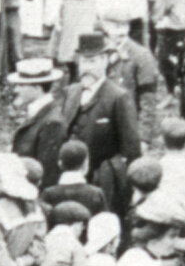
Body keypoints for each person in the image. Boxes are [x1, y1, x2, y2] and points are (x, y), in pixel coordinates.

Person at [59, 32, 144, 216]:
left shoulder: (118, 97)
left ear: (105, 61)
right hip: (70, 179)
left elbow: (131, 149)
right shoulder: (71, 92)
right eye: (82, 62)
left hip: (101, 180)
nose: (85, 68)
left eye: (92, 62)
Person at [9, 56, 69, 185]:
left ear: (37, 88)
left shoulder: (52, 123)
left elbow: (47, 173)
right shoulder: (39, 112)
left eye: (21, 85)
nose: (16, 90)